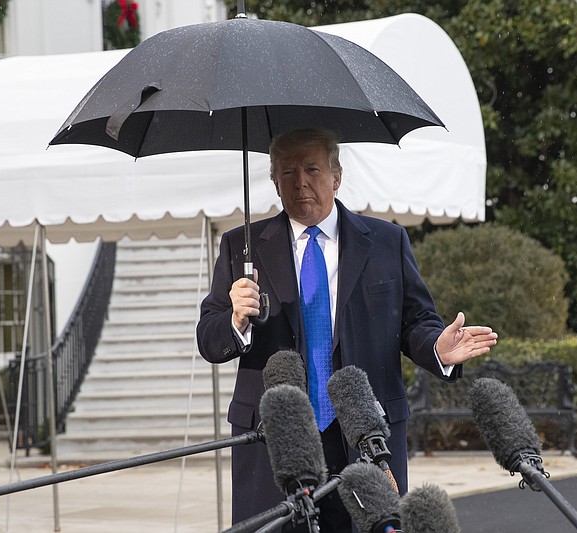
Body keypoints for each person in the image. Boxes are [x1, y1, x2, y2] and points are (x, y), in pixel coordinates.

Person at [196, 128, 498, 531]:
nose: (300, 181)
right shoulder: (242, 246)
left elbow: (416, 323)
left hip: (364, 431)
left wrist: (437, 349)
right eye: (287, 172)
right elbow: (209, 338)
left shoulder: (387, 241)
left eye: (312, 169)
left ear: (336, 177)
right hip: (275, 438)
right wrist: (235, 320)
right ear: (273, 181)